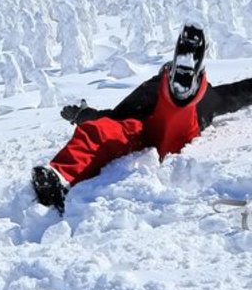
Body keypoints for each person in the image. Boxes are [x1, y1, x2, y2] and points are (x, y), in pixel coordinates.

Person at [33, 24, 252, 214]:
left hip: (176, 124)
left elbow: (236, 93)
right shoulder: (154, 88)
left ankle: (180, 94)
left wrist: (84, 115)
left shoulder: (205, 96)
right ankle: (58, 179)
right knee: (100, 131)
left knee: (173, 113)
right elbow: (111, 120)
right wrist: (83, 116)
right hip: (143, 130)